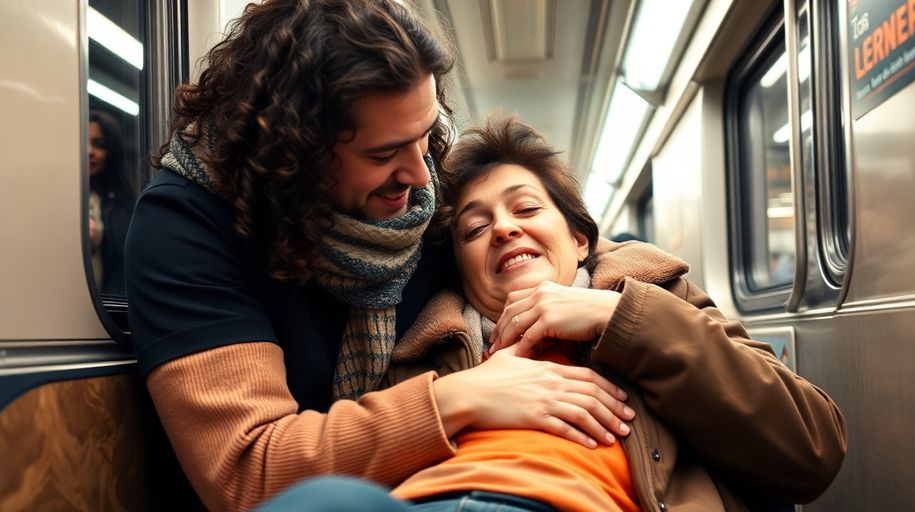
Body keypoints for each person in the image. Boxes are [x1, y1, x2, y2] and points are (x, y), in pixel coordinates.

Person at [124, 2, 633, 511]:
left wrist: (626, 313)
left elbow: (560, 250)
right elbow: (250, 469)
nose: (419, 174)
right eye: (383, 154)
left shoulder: (424, 200)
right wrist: (460, 397)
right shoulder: (187, 227)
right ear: (296, 152)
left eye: (425, 134)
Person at [259, 116, 846, 512]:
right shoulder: (421, 351)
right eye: (475, 227)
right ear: (460, 270)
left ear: (582, 239)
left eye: (526, 208)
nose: (504, 227)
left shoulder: (658, 303)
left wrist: (620, 319)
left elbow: (811, 448)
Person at [88, 110, 135, 294]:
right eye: (83, 142)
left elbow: (122, 268)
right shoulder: (57, 197)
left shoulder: (124, 205)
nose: (89, 151)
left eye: (99, 144)